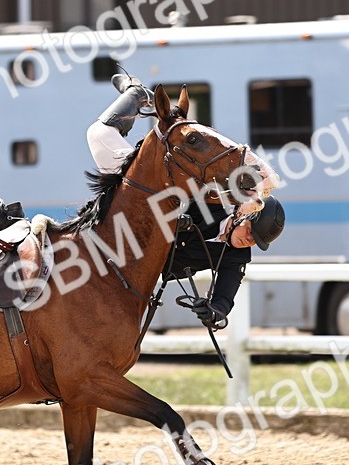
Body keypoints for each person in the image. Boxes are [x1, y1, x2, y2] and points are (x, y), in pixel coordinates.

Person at [88, 74, 284, 329]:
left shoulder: (237, 257)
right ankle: (136, 93)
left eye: (256, 242)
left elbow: (225, 298)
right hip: (148, 185)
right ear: (242, 215)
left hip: (135, 263)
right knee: (98, 134)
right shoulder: (213, 202)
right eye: (251, 232)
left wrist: (213, 313)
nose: (249, 241)